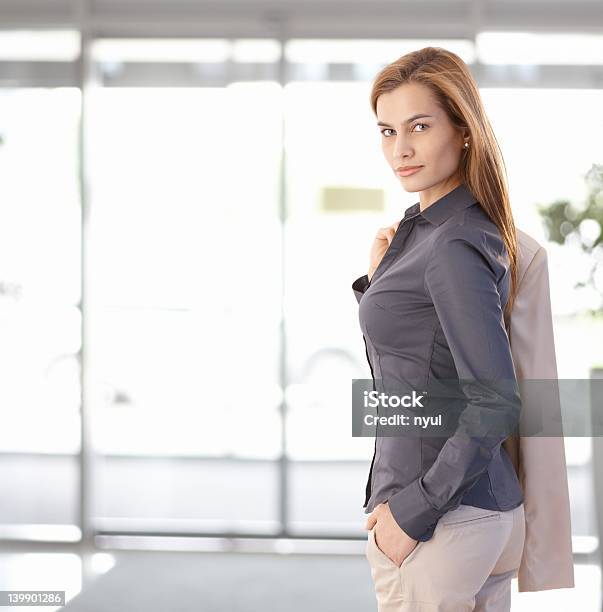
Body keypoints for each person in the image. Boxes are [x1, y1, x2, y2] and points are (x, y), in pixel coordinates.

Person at [353, 46, 526, 611]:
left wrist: (413, 512)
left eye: (419, 126)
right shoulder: (439, 229)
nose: (399, 149)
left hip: (443, 522)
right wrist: (377, 282)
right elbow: (417, 367)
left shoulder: (450, 241)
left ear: (464, 130)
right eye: (386, 131)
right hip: (476, 515)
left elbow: (495, 400)